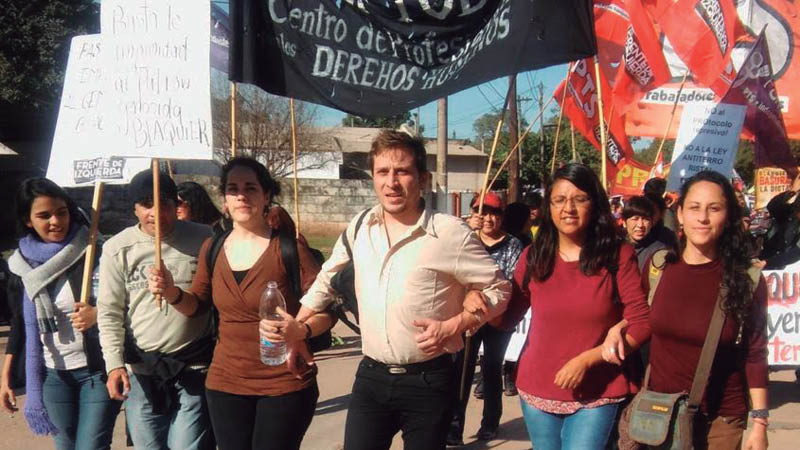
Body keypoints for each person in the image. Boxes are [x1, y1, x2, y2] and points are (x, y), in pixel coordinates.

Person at [295, 129, 511, 450]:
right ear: (373, 178)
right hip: (371, 376)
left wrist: (456, 324)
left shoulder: (450, 233)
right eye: (382, 172)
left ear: (422, 178)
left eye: (402, 171)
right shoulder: (359, 226)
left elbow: (500, 290)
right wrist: (297, 332)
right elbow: (326, 280)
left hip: (429, 380)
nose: (391, 182)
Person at [148, 157, 333, 450]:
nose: (242, 195)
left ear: (266, 195)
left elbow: (326, 309)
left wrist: (301, 330)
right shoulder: (213, 247)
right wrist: (171, 292)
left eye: (251, 188)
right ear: (224, 199)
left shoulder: (288, 247)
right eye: (233, 189)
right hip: (225, 383)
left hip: (284, 382)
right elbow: (196, 306)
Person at [499, 163, 651, 450]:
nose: (568, 208)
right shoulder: (533, 256)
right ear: (549, 208)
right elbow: (506, 318)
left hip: (598, 390)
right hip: (537, 388)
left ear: (594, 204)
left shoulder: (618, 254)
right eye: (559, 200)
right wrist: (473, 303)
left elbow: (642, 323)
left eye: (579, 199)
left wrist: (589, 359)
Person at [632, 171, 769, 449]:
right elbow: (639, 320)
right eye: (694, 207)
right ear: (680, 214)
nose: (703, 218)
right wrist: (616, 331)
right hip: (661, 416)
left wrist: (760, 423)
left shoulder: (747, 278)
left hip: (720, 421)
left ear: (728, 216)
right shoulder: (658, 267)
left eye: (714, 208)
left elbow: (755, 353)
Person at [97, 170, 215, 450]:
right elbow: (109, 311)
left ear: (177, 204)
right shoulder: (118, 248)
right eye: (147, 204)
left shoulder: (204, 238)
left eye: (164, 203)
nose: (156, 212)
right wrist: (114, 365)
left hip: (194, 365)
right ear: (135, 208)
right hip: (143, 370)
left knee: (187, 446)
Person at [1, 178, 120, 449]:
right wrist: (6, 379)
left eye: (61, 212)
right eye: (44, 215)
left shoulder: (94, 253)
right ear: (28, 220)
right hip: (54, 376)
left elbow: (124, 303)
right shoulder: (21, 267)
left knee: (90, 446)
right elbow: (19, 325)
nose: (56, 221)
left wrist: (97, 314)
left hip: (97, 372)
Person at [448, 193, 523, 444]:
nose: (488, 218)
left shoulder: (513, 244)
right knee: (462, 370)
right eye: (481, 211)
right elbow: (451, 271)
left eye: (494, 213)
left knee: (491, 369)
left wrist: (483, 299)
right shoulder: (463, 237)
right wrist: (465, 233)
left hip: (496, 319)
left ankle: (490, 423)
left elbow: (508, 282)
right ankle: (454, 427)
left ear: (502, 217)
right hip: (466, 316)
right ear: (472, 213)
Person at [622, 196, 670, 270]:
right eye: (635, 219)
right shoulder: (615, 247)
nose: (640, 225)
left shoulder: (659, 251)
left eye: (645, 219)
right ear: (624, 222)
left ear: (652, 223)